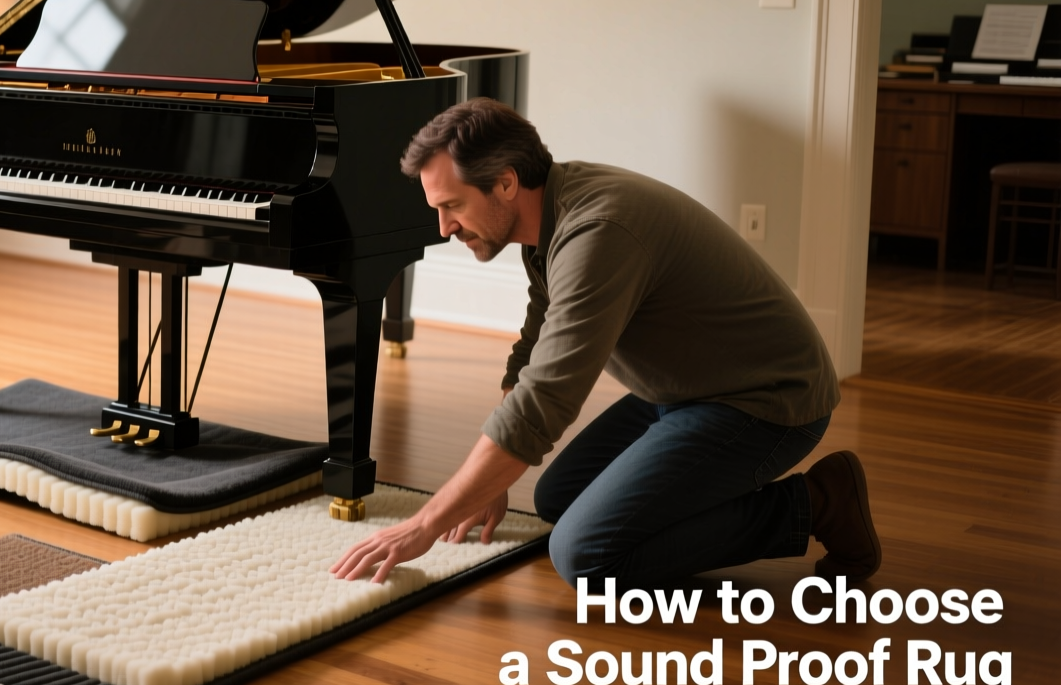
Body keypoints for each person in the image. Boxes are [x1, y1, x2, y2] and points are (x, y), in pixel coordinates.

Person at [331, 98, 881, 588]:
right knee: (556, 499)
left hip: (765, 401)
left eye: (452, 205)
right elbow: (533, 351)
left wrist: (424, 525)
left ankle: (816, 502)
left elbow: (545, 401)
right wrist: (485, 483)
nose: (444, 227)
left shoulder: (597, 233)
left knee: (586, 555)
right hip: (685, 389)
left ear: (505, 183)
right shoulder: (550, 216)